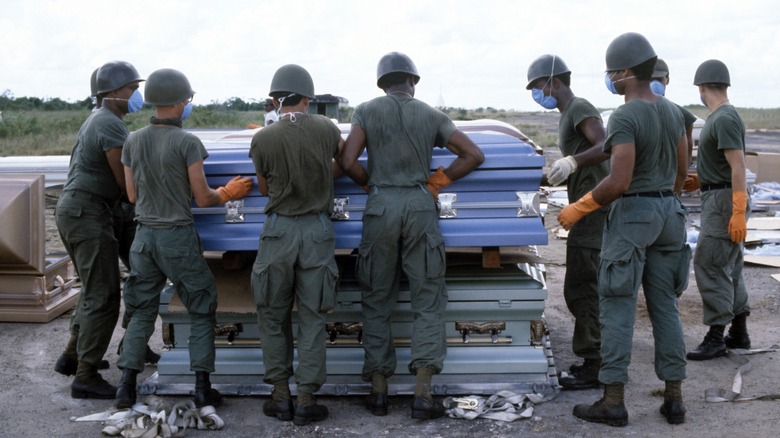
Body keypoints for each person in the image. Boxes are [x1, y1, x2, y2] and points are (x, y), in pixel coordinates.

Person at [339, 51, 484, 420]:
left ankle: (378, 392)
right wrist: (440, 180)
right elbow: (473, 154)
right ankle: (422, 393)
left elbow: (348, 161)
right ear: (413, 81)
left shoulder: (367, 111)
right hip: (420, 207)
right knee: (428, 299)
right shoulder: (432, 115)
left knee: (376, 299)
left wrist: (371, 184)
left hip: (381, 208)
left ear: (381, 83)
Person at [558, 32, 690, 427]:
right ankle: (674, 398)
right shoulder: (673, 111)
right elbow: (683, 170)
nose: (610, 78)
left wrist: (577, 209)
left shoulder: (627, 115)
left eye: (612, 72)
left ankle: (613, 400)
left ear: (627, 72)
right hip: (669, 212)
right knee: (665, 305)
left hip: (633, 214)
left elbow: (618, 180)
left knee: (616, 304)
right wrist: (665, 199)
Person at [114, 68, 253, 409]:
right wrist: (229, 192)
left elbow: (131, 196)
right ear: (179, 102)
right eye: (187, 100)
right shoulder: (187, 142)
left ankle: (125, 388)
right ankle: (203, 388)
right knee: (202, 308)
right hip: (177, 237)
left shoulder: (133, 140)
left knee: (142, 310)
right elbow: (203, 198)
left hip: (144, 239)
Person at [248, 64, 343, 426]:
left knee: (272, 315)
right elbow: (341, 163)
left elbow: (263, 188)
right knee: (314, 317)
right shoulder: (327, 128)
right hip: (317, 232)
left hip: (278, 232)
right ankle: (306, 399)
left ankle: (280, 396)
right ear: (308, 98)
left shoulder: (262, 139)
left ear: (274, 99)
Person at [54, 61, 144, 399]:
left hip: (78, 210)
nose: (136, 95)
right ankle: (86, 375)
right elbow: (126, 185)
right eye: (132, 89)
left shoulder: (100, 119)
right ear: (114, 92)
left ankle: (72, 356)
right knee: (105, 294)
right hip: (87, 212)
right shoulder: (110, 125)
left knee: (93, 288)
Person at [525, 54, 609, 390]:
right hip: (586, 206)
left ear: (553, 82)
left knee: (583, 286)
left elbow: (606, 146)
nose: (535, 93)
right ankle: (597, 357)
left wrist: (572, 163)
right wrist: (551, 175)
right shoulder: (567, 115)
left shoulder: (579, 107)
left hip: (594, 210)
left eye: (536, 87)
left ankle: (596, 363)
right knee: (582, 286)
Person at [685, 60, 751, 361]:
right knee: (730, 264)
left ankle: (715, 336)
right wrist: (703, 177)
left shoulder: (723, 118)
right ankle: (738, 331)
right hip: (722, 192)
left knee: (709, 263)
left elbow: (738, 166)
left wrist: (738, 210)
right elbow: (725, 164)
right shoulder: (720, 117)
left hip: (725, 200)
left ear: (701, 87)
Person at [650, 58, 698, 170]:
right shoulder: (635, 113)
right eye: (651, 80)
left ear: (667, 80)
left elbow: (687, 152)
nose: (655, 84)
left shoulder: (683, 116)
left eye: (659, 79)